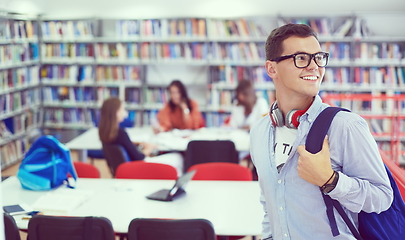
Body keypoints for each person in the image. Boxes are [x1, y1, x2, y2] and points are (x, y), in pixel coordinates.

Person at [249, 23, 393, 239]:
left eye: (318, 57)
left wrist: (330, 180)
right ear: (272, 68)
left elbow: (382, 197)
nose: (314, 66)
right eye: (301, 58)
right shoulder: (259, 132)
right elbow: (270, 204)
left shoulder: (345, 126)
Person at [98, 97, 183, 175]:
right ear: (115, 112)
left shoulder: (105, 133)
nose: (125, 112)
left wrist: (134, 143)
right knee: (178, 157)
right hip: (138, 166)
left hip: (126, 169)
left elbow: (123, 145)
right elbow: (139, 157)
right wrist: (148, 149)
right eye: (122, 109)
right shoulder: (121, 133)